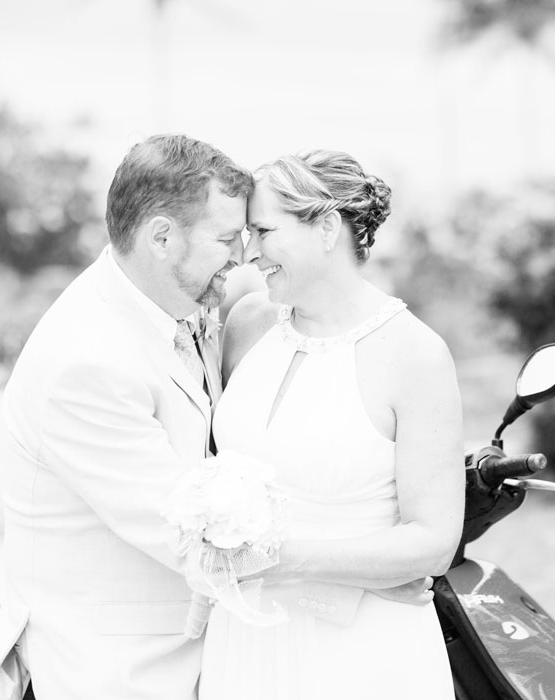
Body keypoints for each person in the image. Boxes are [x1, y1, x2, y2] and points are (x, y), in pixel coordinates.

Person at [0, 134, 255, 700]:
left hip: (196, 651)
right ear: (161, 236)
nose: (242, 255)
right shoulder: (88, 360)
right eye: (227, 238)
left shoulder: (174, 304)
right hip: (116, 670)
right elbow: (191, 533)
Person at [198, 150, 465, 699]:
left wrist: (275, 558)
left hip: (359, 652)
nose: (249, 252)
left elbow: (434, 542)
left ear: (324, 227)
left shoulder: (414, 354)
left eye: (263, 231)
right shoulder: (248, 324)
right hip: (245, 641)